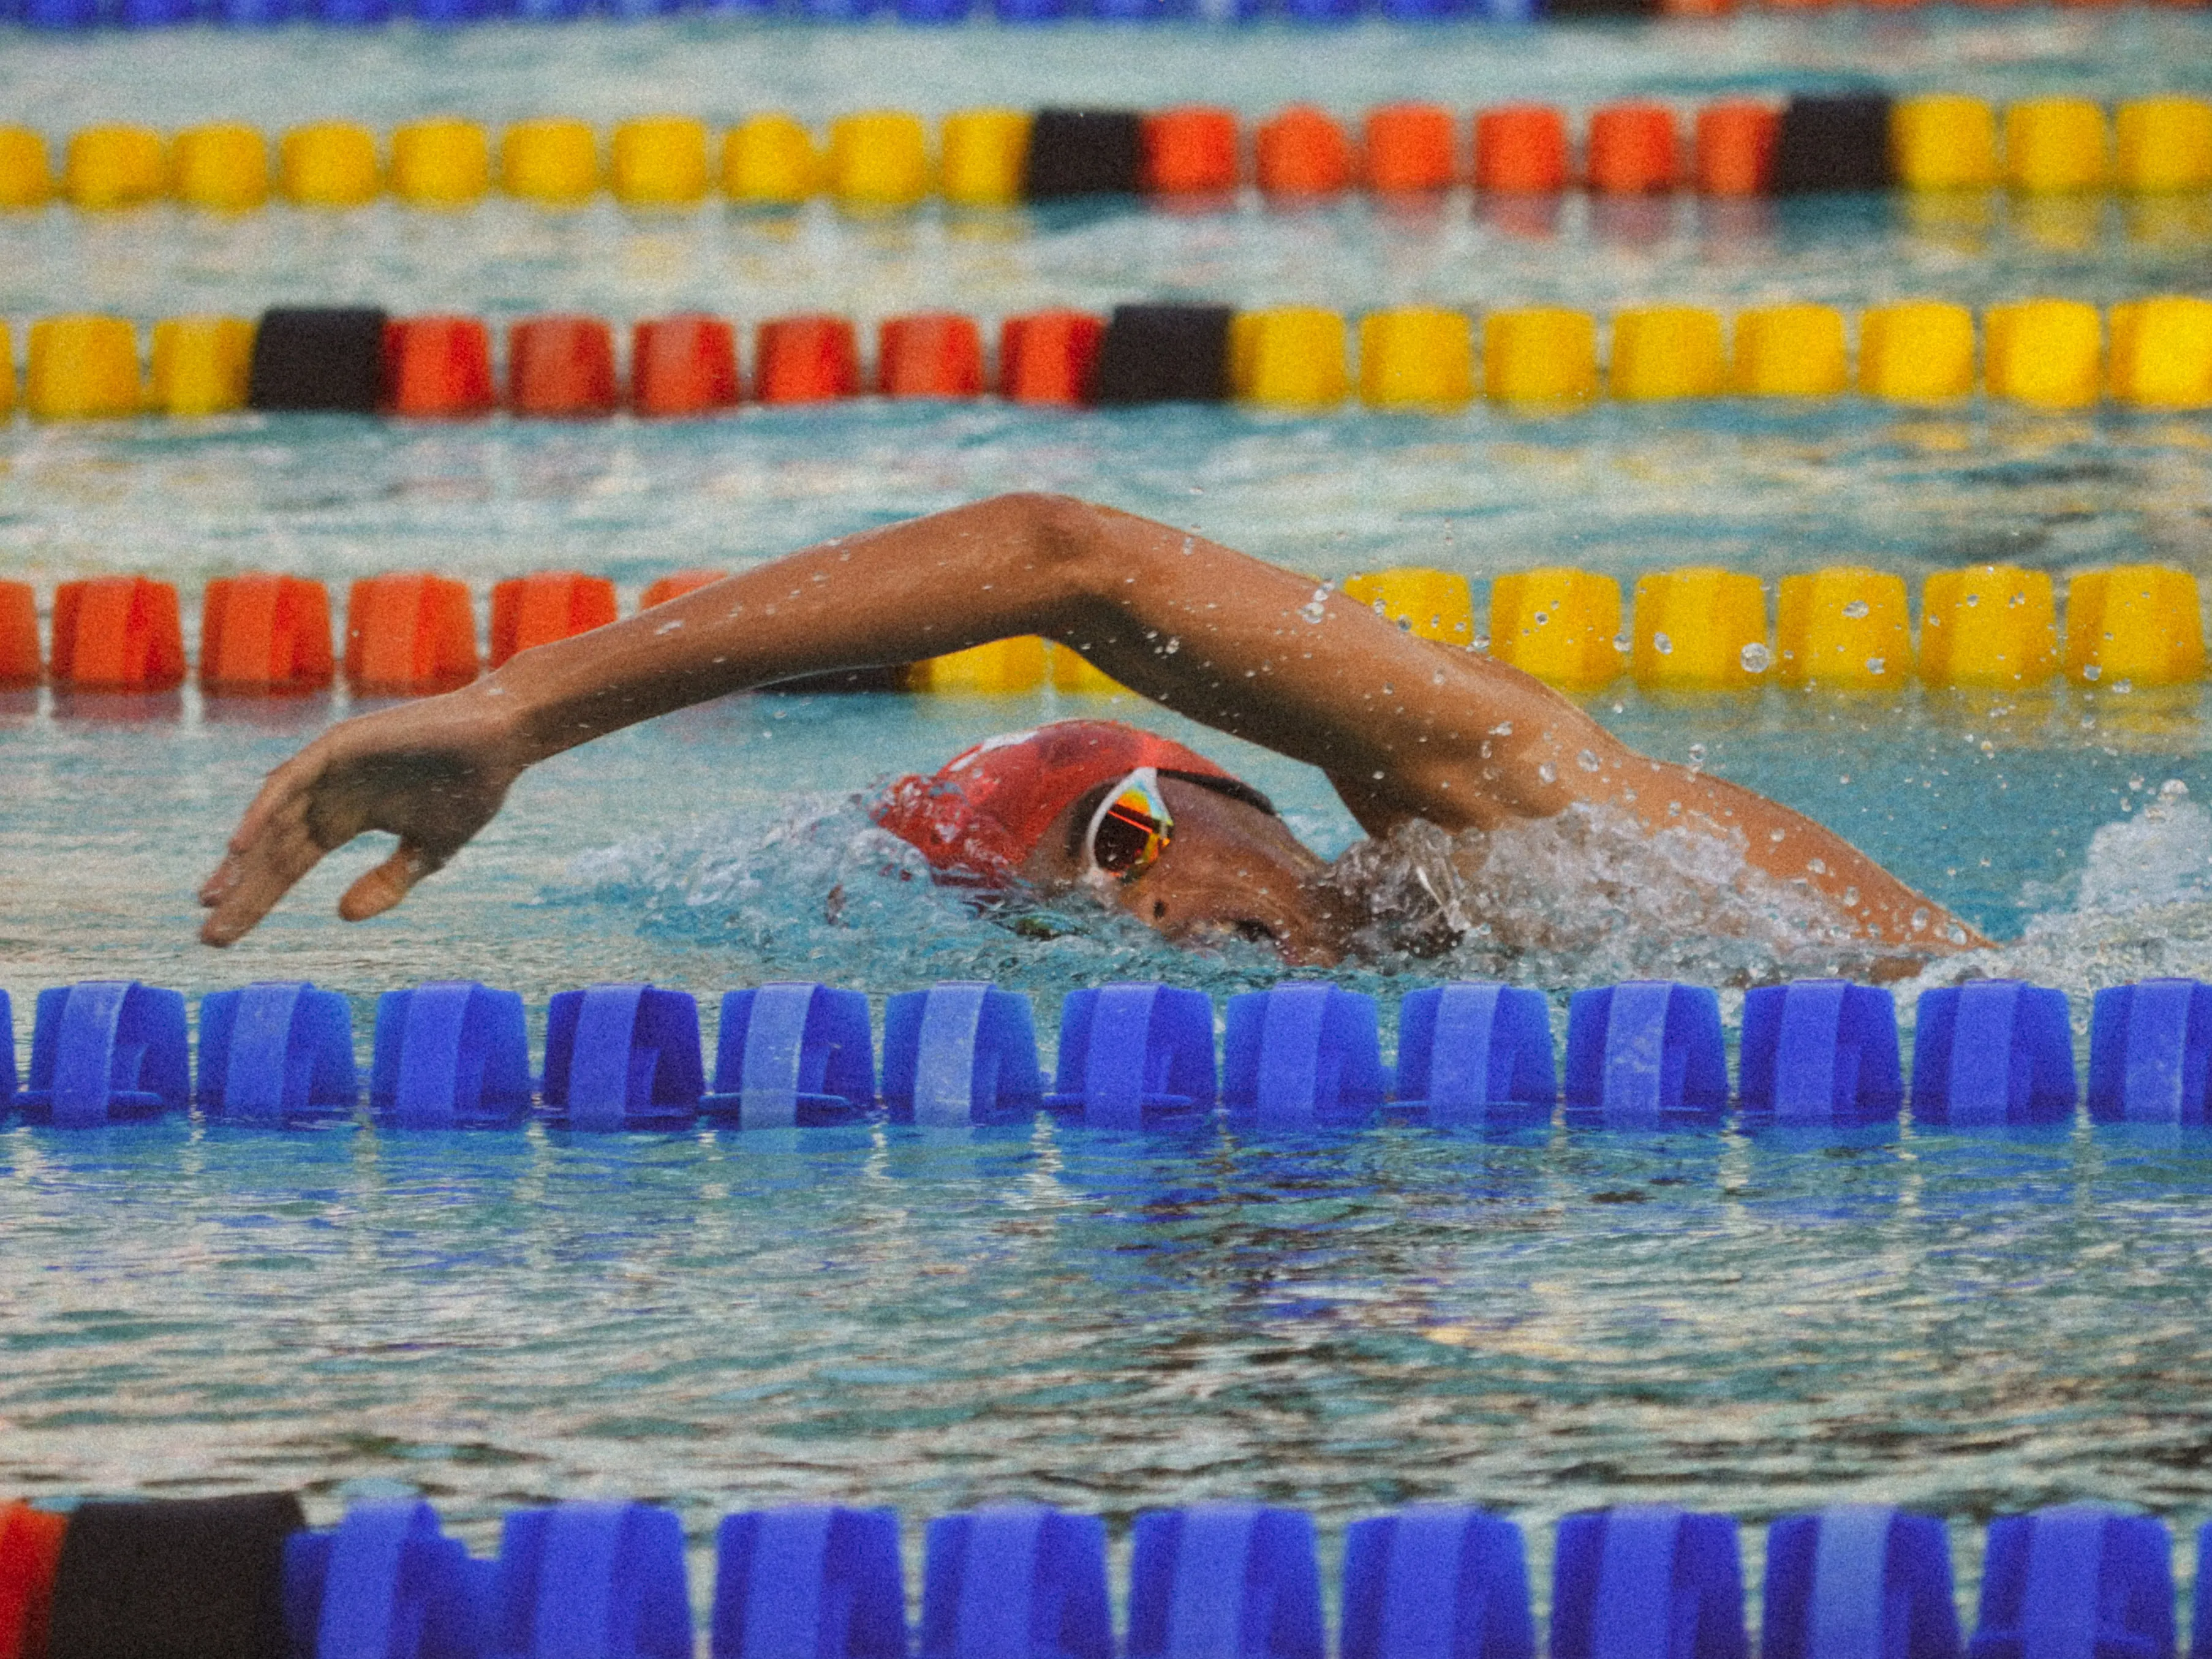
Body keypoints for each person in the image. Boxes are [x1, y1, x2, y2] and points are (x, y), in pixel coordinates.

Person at [198, 492, 1985, 966]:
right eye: (1065, 906)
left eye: (1124, 835)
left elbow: (1064, 555)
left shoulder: (1500, 823)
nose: (1130, 904)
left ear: (1244, 794)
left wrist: (520, 707)